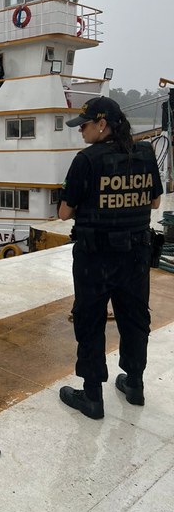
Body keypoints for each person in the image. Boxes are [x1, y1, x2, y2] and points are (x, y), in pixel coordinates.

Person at [57, 97, 163, 419]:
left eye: (85, 125)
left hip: (95, 258)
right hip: (135, 256)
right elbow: (156, 201)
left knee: (90, 321)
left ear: (101, 125)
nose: (81, 132)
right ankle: (135, 385)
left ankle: (92, 396)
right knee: (134, 319)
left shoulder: (86, 160)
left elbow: (64, 213)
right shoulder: (144, 153)